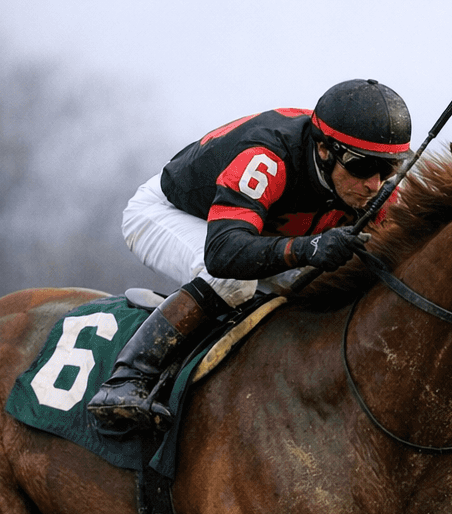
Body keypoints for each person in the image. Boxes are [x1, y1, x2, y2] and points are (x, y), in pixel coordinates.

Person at [86, 78, 412, 435]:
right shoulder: (268, 157)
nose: (374, 184)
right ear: (323, 150)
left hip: (251, 233)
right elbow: (224, 253)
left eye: (388, 169)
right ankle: (127, 379)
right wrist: (310, 248)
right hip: (172, 215)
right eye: (362, 167)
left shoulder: (377, 189)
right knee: (233, 281)